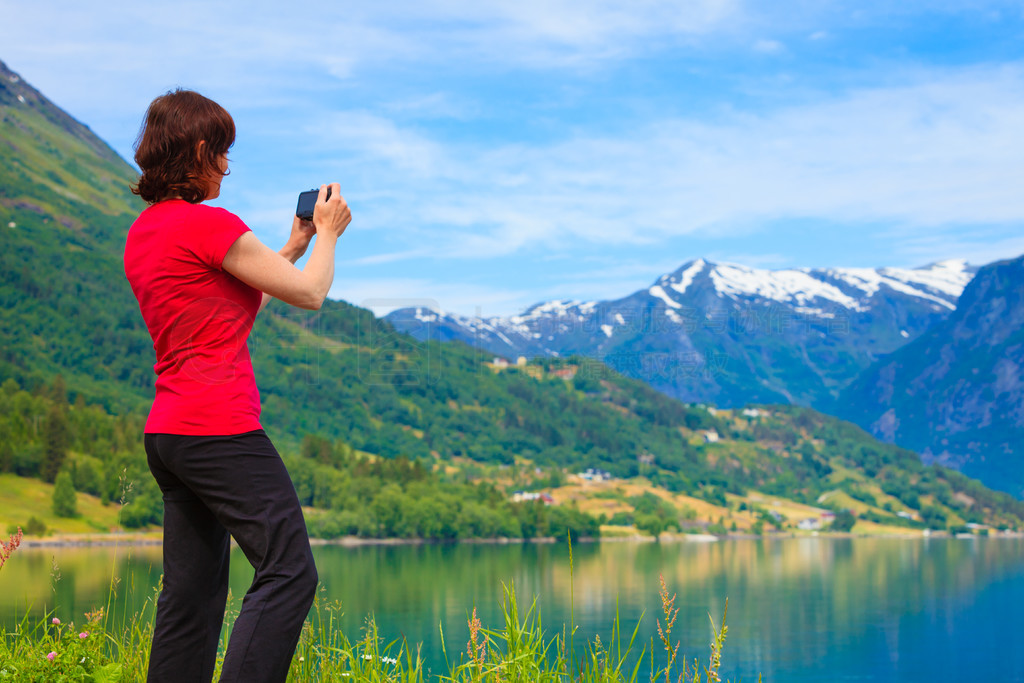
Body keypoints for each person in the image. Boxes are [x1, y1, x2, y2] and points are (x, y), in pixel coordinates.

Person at [123, 89, 351, 683]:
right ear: (200, 150)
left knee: (191, 599)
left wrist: (295, 244)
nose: (227, 165)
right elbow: (309, 293)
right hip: (218, 427)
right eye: (222, 152)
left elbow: (229, 308)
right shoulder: (208, 224)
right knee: (289, 571)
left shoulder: (146, 233)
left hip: (170, 435)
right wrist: (326, 235)